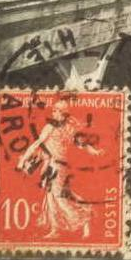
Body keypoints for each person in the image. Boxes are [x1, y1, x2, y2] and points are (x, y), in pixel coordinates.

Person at [15, 98, 101, 240]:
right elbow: (37, 144)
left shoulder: (65, 128)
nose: (53, 112)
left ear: (62, 114)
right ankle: (56, 228)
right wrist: (24, 159)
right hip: (52, 166)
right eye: (53, 110)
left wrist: (95, 151)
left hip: (58, 167)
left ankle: (85, 217)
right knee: (52, 197)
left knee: (59, 197)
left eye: (56, 110)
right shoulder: (54, 127)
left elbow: (81, 144)